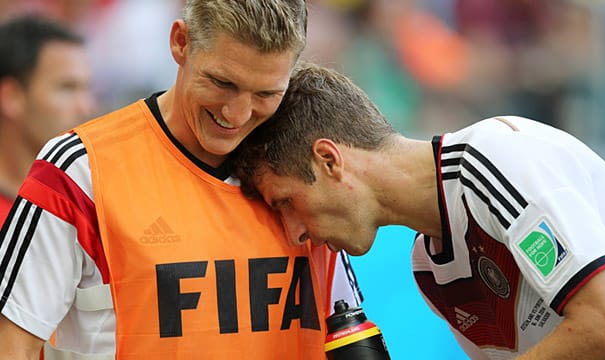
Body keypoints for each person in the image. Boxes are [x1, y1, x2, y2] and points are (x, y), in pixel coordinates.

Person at [0, 2, 363, 359]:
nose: (236, 114)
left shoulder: (307, 175)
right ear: (180, 42)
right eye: (222, 82)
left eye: (266, 93)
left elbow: (348, 331)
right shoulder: (80, 170)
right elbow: (12, 345)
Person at [231, 63, 605, 359]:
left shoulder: (493, 156)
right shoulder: (431, 271)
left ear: (329, 160)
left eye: (285, 202)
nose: (295, 233)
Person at [0, 15, 95, 221]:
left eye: (86, 88)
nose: (86, 107)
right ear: (11, 97)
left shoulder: (90, 205)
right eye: (67, 88)